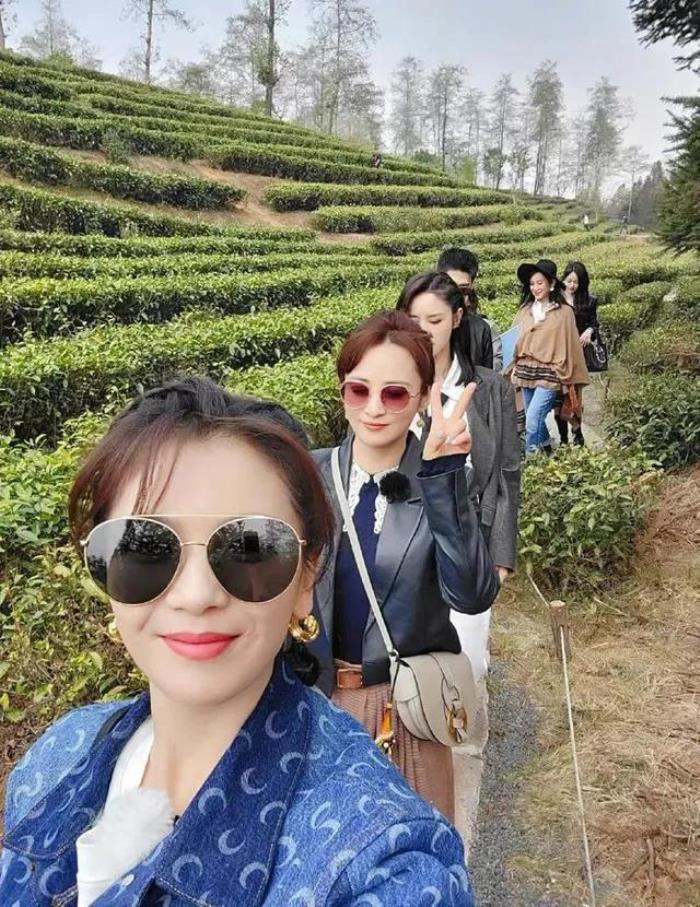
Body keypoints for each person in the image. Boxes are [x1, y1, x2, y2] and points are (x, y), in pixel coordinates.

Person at [0, 377, 477, 907]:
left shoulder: (377, 863)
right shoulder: (56, 758)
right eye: (144, 546)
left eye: (251, 547)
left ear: (306, 579)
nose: (196, 595)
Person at [312, 311, 499, 823]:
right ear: (342, 392)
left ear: (421, 398)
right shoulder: (310, 475)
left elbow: (472, 594)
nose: (374, 408)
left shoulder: (437, 481)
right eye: (358, 390)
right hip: (315, 703)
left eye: (394, 394)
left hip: (403, 709)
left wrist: (443, 479)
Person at [395, 270, 520, 676]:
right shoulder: (390, 388)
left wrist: (501, 553)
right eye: (413, 321)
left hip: (468, 540)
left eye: (434, 320)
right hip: (401, 544)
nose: (423, 331)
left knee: (466, 665)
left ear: (457, 318)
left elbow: (506, 472)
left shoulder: (490, 389)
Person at [510, 259, 589, 455]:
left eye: (540, 283)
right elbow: (514, 340)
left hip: (551, 374)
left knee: (532, 419)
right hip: (526, 371)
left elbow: (572, 346)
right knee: (532, 418)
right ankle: (546, 449)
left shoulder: (564, 313)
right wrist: (512, 367)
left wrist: (571, 378)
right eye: (532, 284)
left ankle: (532, 462)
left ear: (551, 284)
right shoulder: (525, 311)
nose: (535, 288)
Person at [555, 261, 600, 446]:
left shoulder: (588, 300)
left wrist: (589, 330)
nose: (572, 285)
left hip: (578, 356)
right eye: (569, 281)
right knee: (558, 398)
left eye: (576, 282)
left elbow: (594, 323)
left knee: (576, 399)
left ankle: (577, 432)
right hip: (558, 355)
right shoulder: (555, 299)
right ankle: (563, 439)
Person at [437, 247, 500, 370]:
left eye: (463, 290)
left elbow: (488, 374)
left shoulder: (482, 329)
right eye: (451, 289)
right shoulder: (423, 325)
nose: (457, 297)